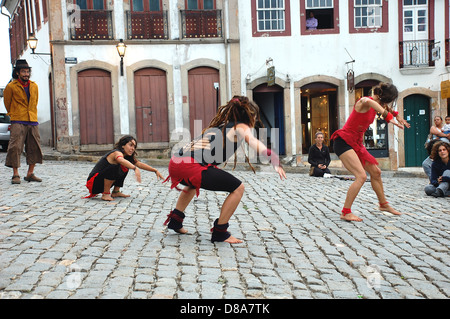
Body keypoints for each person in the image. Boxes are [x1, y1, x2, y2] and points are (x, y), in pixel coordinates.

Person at [164, 96, 286, 244]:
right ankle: (220, 232)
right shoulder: (241, 127)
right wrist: (273, 158)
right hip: (190, 165)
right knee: (238, 188)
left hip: (176, 162)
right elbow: (254, 142)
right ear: (251, 116)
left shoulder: (222, 126)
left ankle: (175, 222)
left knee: (192, 184)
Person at [330, 82, 410, 222]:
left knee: (376, 172)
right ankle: (346, 212)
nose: (388, 104)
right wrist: (390, 118)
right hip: (344, 142)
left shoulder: (378, 104)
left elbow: (384, 108)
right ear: (384, 97)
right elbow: (370, 102)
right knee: (361, 176)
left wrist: (396, 115)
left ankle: (383, 204)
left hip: (356, 144)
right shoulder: (365, 101)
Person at [85, 135, 164, 201]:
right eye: (130, 145)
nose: (133, 148)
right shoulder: (117, 152)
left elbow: (139, 164)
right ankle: (105, 194)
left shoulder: (127, 157)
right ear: (123, 145)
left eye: (134, 146)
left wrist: (155, 170)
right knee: (115, 166)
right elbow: (120, 159)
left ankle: (116, 191)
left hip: (100, 183)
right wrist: (135, 168)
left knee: (125, 166)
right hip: (93, 183)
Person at [3, 59, 43, 184]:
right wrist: (14, 114)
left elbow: (35, 102)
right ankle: (15, 174)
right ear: (17, 73)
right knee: (15, 147)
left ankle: (30, 173)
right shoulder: (11, 87)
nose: (26, 74)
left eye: (27, 71)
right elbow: (7, 103)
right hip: (18, 120)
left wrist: (32, 114)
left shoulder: (34, 86)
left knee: (34, 147)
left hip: (32, 120)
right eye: (23, 72)